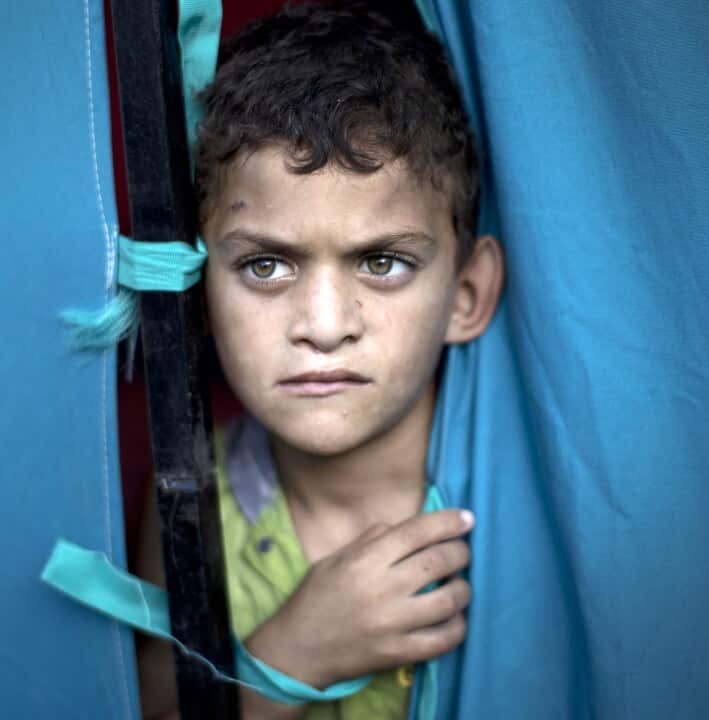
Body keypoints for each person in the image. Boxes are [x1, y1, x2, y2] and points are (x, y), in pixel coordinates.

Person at [136, 3, 504, 718]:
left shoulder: (519, 491)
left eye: (383, 262)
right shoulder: (187, 497)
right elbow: (148, 703)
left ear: (467, 294)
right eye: (267, 266)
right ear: (200, 294)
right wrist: (292, 656)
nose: (325, 327)